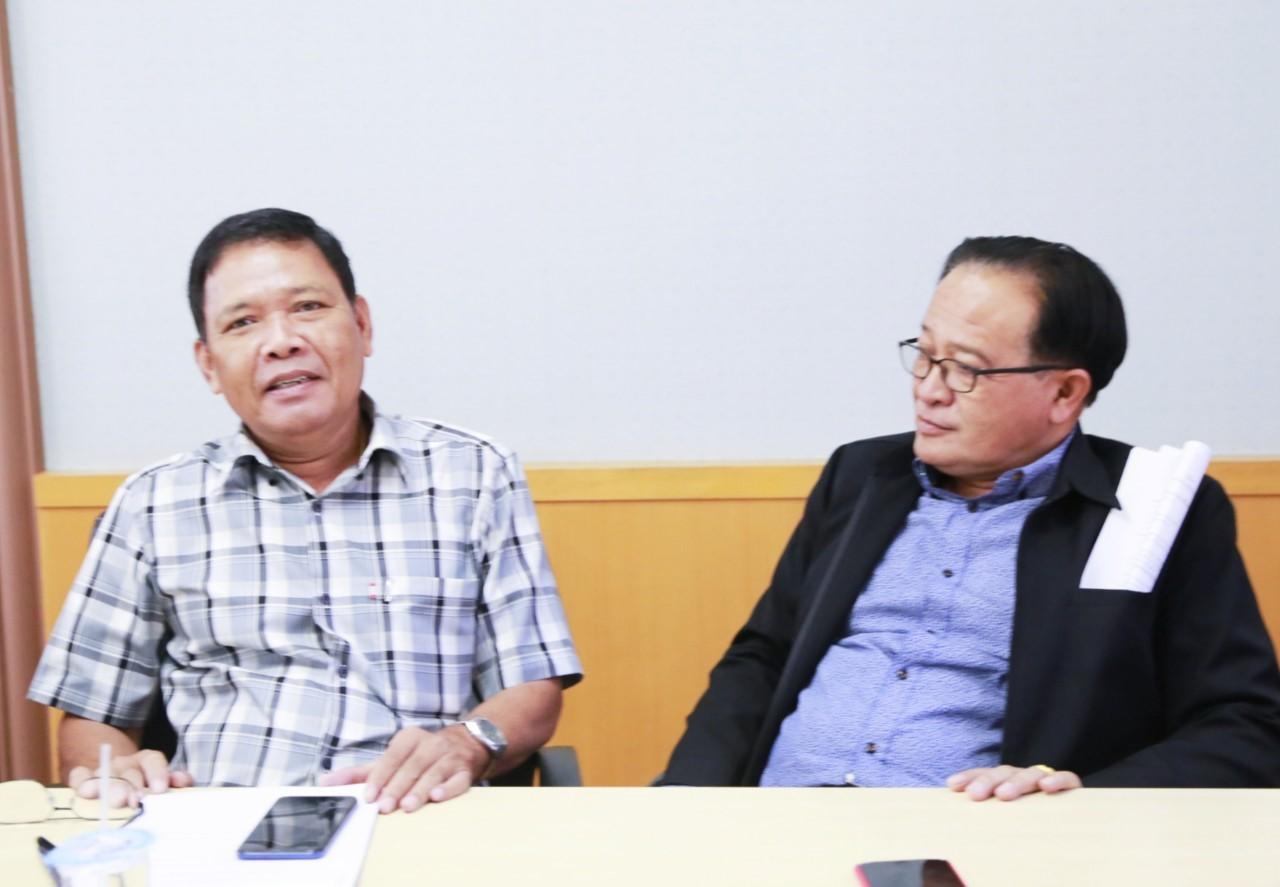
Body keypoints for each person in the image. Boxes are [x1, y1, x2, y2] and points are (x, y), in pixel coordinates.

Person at [662, 236, 1280, 799]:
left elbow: (1245, 727)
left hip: (975, 845)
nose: (929, 389)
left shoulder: (1153, 507)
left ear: (1064, 393)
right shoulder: (861, 476)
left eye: (965, 369)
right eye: (925, 355)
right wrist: (685, 797)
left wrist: (1080, 794)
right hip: (779, 822)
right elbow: (763, 656)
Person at [29, 208, 581, 812]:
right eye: (243, 322)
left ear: (362, 325)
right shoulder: (152, 505)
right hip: (222, 824)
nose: (282, 341)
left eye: (308, 307)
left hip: (414, 815)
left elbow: (533, 687)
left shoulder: (473, 473)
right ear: (209, 364)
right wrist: (115, 769)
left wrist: (466, 743)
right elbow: (91, 720)